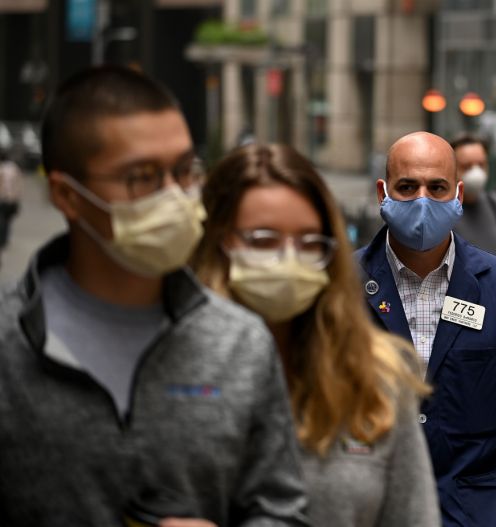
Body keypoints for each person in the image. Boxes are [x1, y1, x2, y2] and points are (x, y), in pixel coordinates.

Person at [0, 66, 308, 526]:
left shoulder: (240, 343)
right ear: (67, 195)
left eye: (185, 171)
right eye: (142, 176)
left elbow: (282, 510)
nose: (177, 196)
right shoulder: (9, 346)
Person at [190, 143, 440, 527]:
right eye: (263, 240)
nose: (289, 259)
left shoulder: (374, 375)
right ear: (217, 243)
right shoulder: (171, 367)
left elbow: (413, 515)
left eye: (309, 243)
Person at [356, 131, 496, 527]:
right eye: (407, 187)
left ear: (458, 193)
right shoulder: (342, 291)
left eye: (437, 187)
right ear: (382, 192)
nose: (422, 199)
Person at [450, 134, 496, 261]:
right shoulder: (443, 210)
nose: (476, 172)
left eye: (481, 164)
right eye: (466, 166)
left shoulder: (494, 204)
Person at [0, 150, 22, 265]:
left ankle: (2, 240)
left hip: (3, 199)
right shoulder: (15, 168)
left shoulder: (2, 169)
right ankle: (5, 238)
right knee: (8, 221)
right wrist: (17, 198)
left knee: (2, 221)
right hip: (12, 199)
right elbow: (18, 184)